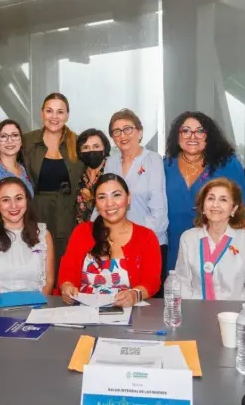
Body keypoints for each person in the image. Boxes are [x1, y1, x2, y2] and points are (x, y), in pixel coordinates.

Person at [164, 111, 245, 281]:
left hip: (216, 238)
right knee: (178, 289)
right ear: (177, 136)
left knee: (217, 289)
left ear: (209, 136)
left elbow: (243, 199)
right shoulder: (165, 165)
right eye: (185, 131)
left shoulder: (226, 163)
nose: (192, 136)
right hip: (174, 241)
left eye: (200, 131)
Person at [58, 174, 161, 306]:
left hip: (128, 313)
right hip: (83, 313)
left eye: (116, 195)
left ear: (128, 198)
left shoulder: (146, 237)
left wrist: (135, 295)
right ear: (96, 203)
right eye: (102, 197)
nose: (109, 203)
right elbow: (67, 272)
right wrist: (67, 287)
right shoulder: (82, 232)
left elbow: (151, 282)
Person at [102, 109, 168, 282]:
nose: (123, 135)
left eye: (128, 129)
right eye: (117, 131)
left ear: (140, 132)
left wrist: (135, 240)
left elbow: (159, 212)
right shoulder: (111, 162)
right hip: (115, 244)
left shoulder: (153, 160)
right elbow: (102, 201)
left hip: (149, 242)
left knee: (147, 301)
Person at [22, 92, 84, 275]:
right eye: (49, 111)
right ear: (42, 113)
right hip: (35, 213)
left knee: (65, 266)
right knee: (36, 265)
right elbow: (3, 154)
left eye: (60, 112)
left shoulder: (78, 143)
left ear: (67, 115)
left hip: (68, 216)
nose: (54, 117)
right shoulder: (26, 141)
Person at [175, 178, 245, 301]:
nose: (215, 205)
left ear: (233, 209)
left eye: (223, 200)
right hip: (197, 312)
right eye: (210, 198)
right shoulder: (188, 238)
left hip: (234, 314)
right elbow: (182, 284)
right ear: (203, 206)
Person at [0, 177, 54, 294]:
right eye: (5, 200)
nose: (13, 205)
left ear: (27, 201)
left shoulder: (43, 234)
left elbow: (49, 282)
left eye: (19, 198)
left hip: (35, 307)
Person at [0, 119, 34, 214]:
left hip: (24, 226)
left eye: (15, 135)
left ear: (21, 141)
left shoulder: (24, 168)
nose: (10, 141)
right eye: (3, 136)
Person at [75, 128, 111, 224]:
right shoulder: (76, 174)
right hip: (81, 233)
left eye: (96, 146)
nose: (91, 151)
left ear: (104, 149)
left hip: (107, 232)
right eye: (86, 147)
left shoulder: (112, 173)